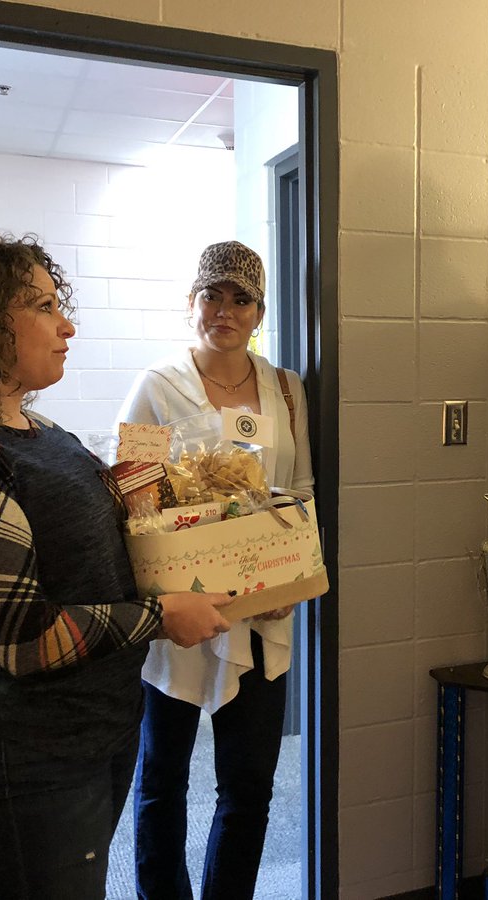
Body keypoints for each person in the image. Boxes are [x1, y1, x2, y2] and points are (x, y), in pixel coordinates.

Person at [0, 228, 235, 900]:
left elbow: (108, 546)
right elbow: (23, 639)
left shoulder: (43, 434)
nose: (65, 325)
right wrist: (160, 615)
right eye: (42, 306)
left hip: (95, 726)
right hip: (26, 749)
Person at [118, 240, 314, 900]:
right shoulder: (157, 387)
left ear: (259, 311)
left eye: (241, 298)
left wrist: (288, 584)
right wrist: (169, 592)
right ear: (191, 302)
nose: (224, 309)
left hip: (261, 615)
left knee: (249, 785)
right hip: (181, 608)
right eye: (212, 294)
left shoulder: (286, 389)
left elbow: (302, 493)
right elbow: (134, 494)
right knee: (164, 777)